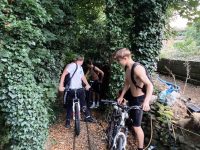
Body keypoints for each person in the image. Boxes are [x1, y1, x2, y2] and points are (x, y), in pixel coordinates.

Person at [113, 48, 153, 150]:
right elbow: (127, 83)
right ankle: (121, 117)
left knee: (136, 126)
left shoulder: (137, 68)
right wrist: (122, 96)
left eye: (119, 60)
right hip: (131, 94)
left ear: (125, 58)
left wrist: (146, 102)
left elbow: (149, 85)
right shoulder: (127, 67)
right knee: (117, 99)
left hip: (139, 99)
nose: (118, 63)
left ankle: (140, 148)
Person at [59, 55, 95, 128]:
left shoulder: (80, 67)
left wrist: (87, 84)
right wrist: (61, 85)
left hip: (79, 89)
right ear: (81, 60)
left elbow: (82, 77)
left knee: (82, 102)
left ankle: (87, 116)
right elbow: (64, 74)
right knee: (70, 104)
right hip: (71, 89)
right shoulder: (72, 65)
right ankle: (68, 121)